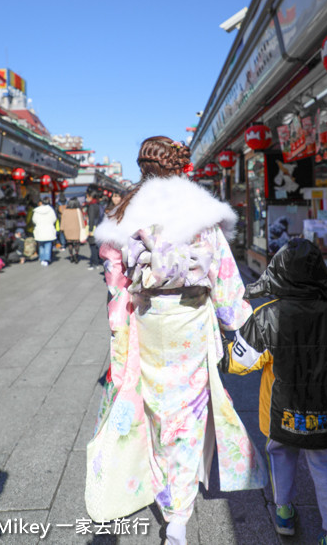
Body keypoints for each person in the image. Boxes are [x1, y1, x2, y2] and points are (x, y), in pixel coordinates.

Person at [85, 136, 267, 545]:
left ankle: (157, 479)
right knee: (187, 414)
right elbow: (223, 273)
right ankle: (178, 515)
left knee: (155, 407)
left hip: (149, 319)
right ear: (180, 166)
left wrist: (120, 323)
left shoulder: (127, 212)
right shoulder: (200, 211)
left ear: (144, 168)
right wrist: (235, 321)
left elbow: (116, 281)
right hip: (190, 318)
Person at [220, 238, 327, 545]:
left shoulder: (266, 316)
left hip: (281, 414)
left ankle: (283, 513)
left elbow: (239, 362)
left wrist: (214, 349)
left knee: (280, 455)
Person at [60, 197, 86, 264]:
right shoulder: (78, 211)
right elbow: (81, 221)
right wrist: (83, 228)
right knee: (77, 243)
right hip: (76, 229)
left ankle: (71, 256)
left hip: (68, 229)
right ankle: (76, 255)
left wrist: (62, 228)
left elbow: (62, 221)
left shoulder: (65, 211)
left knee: (70, 243)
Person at [32, 196, 57, 266]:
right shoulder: (51, 210)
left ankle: (42, 258)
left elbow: (34, 220)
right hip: (48, 229)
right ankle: (46, 259)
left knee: (41, 245)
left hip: (40, 230)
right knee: (48, 245)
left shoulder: (37, 211)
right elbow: (54, 219)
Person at [85, 186, 104, 270]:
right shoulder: (98, 204)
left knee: (92, 246)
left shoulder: (92, 206)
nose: (86, 198)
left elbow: (91, 219)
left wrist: (90, 230)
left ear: (90, 196)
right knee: (96, 246)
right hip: (99, 227)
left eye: (87, 196)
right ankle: (97, 261)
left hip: (93, 228)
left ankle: (94, 263)